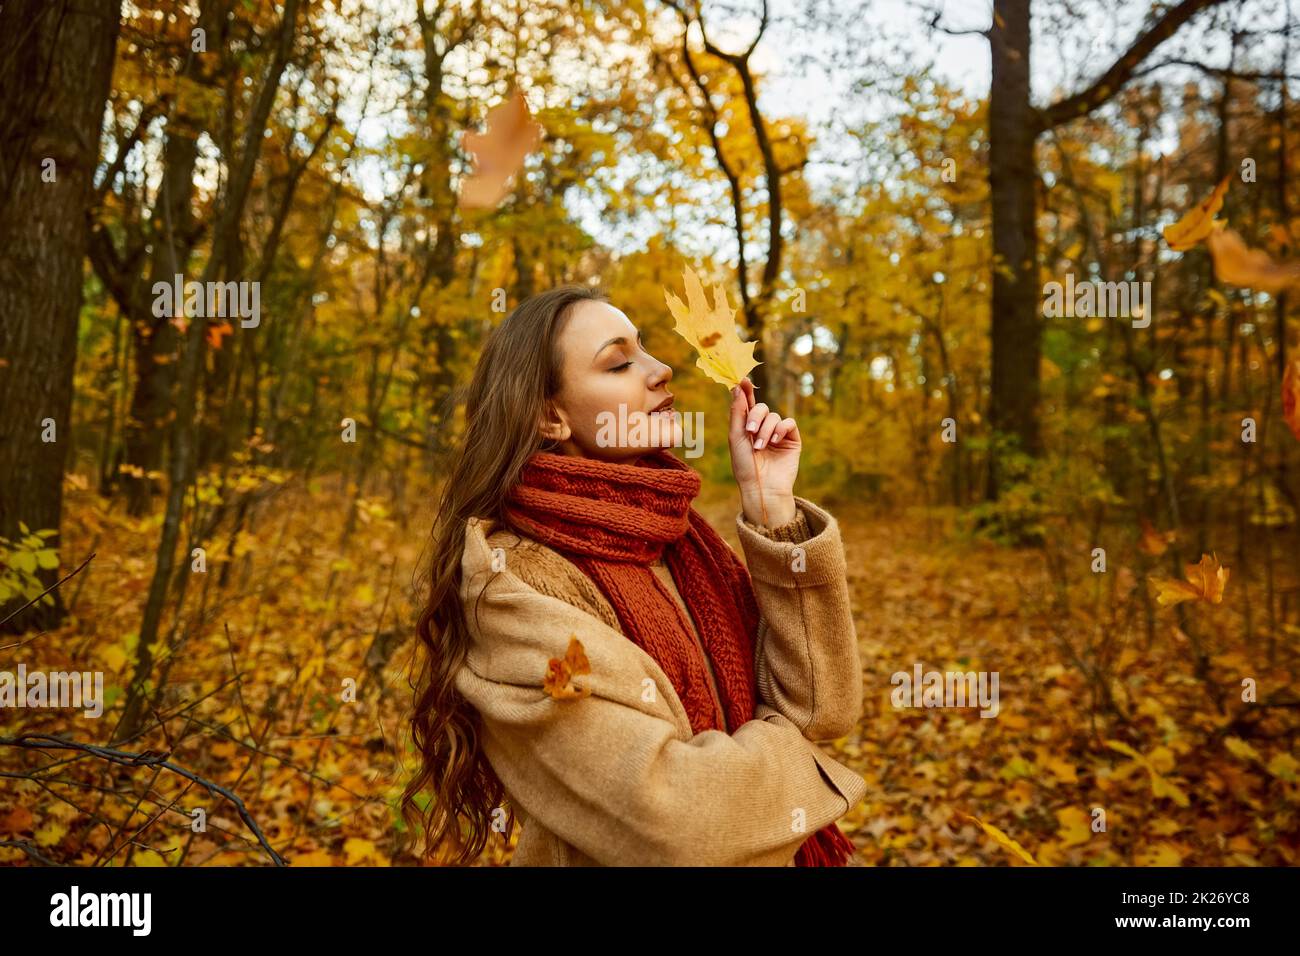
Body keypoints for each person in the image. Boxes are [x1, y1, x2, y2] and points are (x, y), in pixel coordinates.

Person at [402, 284, 867, 865]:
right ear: (550, 416)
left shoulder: (676, 537)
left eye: (645, 350)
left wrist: (770, 508)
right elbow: (673, 822)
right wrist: (803, 765)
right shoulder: (514, 586)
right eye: (619, 362)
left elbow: (824, 707)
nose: (661, 369)